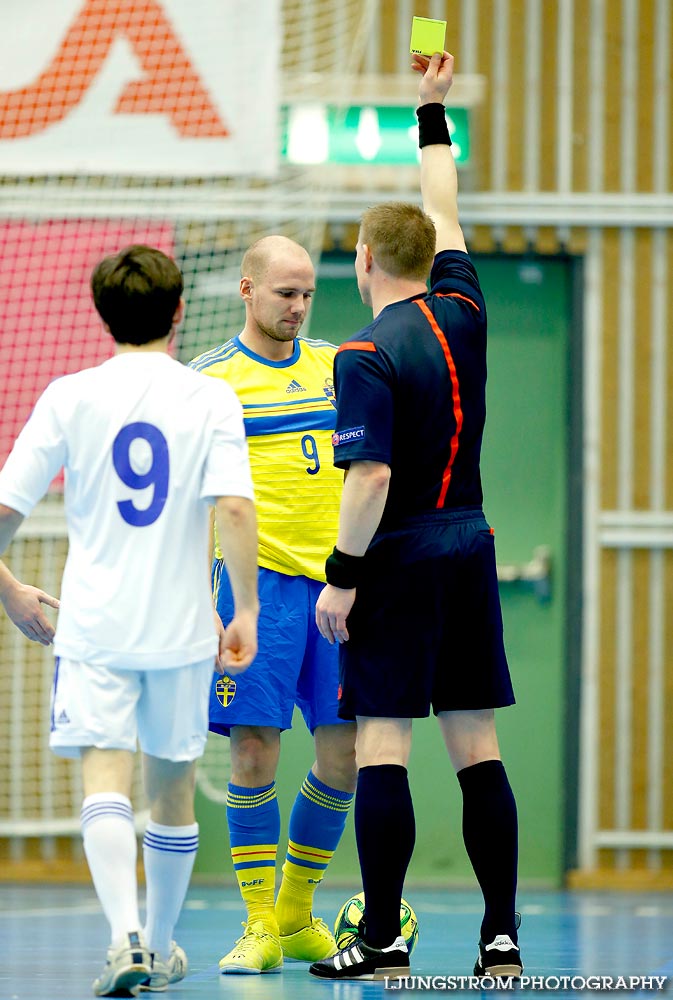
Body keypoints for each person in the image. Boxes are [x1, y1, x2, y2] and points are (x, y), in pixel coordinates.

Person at [309, 51, 523, 982]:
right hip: (468, 541)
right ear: (427, 260)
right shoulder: (465, 307)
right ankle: (501, 937)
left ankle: (385, 933)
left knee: (384, 742)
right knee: (477, 746)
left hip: (395, 556)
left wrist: (340, 579)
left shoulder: (361, 351)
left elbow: (369, 479)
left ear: (362, 261)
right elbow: (447, 206)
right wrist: (429, 113)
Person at [0, 245, 259, 997]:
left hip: (96, 623)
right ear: (179, 313)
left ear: (100, 314)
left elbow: (7, 510)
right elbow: (235, 508)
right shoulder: (209, 398)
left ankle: (124, 940)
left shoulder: (69, 395)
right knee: (170, 791)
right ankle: (166, 942)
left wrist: (9, 587)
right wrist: (241, 609)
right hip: (181, 626)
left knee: (103, 776)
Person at [190, 235, 357, 975]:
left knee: (346, 755)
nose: (297, 307)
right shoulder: (208, 383)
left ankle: (295, 909)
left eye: (307, 294)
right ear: (247, 290)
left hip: (339, 592)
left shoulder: (337, 370)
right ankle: (258, 922)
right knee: (254, 751)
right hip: (256, 594)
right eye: (284, 293)